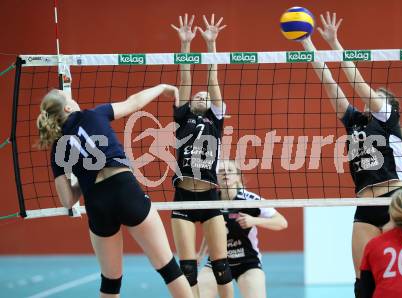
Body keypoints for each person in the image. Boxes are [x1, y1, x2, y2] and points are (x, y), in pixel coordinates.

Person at [36, 85, 193, 298]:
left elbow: (67, 200)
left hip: (97, 202)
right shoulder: (93, 114)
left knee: (110, 283)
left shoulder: (57, 148)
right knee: (169, 269)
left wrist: (85, 175)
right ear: (67, 109)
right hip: (123, 189)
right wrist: (162, 87)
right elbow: (134, 102)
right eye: (68, 98)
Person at [300, 12, 402, 297]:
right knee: (363, 280)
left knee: (398, 279)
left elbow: (359, 85)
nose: (375, 97)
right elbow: (327, 81)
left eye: (380, 95)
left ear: (389, 104)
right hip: (365, 203)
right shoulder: (354, 120)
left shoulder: (388, 117)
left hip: (395, 200)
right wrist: (306, 42)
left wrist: (336, 44)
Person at [170, 14, 233, 298]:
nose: (200, 96)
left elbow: (213, 77)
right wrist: (185, 45)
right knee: (187, 268)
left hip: (209, 196)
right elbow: (185, 77)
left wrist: (211, 44)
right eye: (196, 96)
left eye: (204, 97)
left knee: (221, 266)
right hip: (184, 196)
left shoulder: (215, 120)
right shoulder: (183, 118)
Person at [197, 160, 288, 298]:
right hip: (217, 261)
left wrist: (254, 221)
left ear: (238, 176)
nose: (225, 174)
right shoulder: (211, 201)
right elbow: (210, 229)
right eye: (221, 172)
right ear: (215, 178)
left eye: (229, 171)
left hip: (247, 263)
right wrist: (201, 253)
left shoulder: (250, 200)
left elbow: (282, 222)